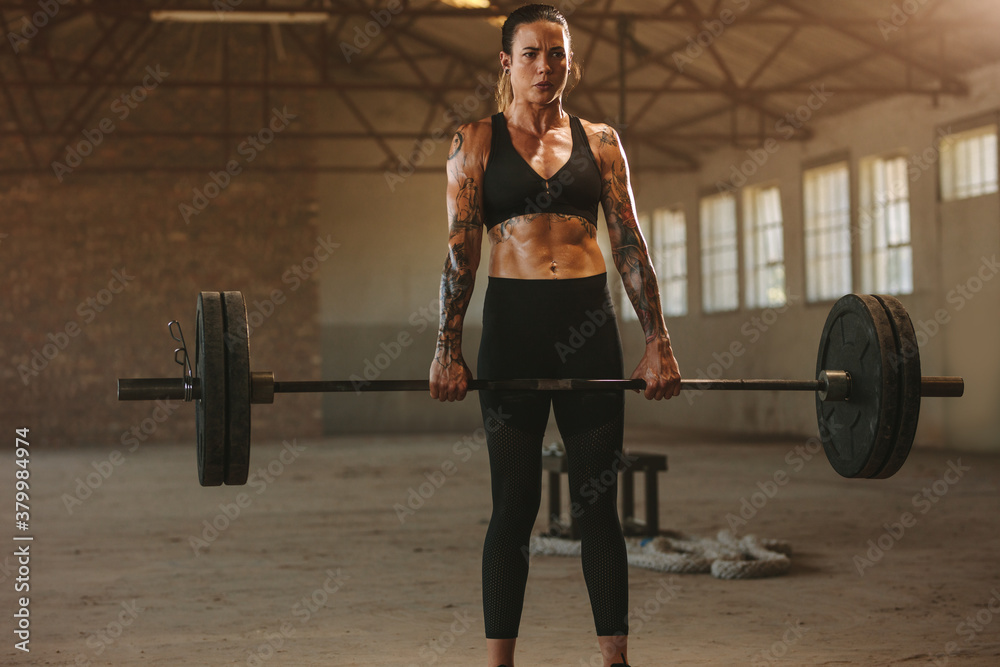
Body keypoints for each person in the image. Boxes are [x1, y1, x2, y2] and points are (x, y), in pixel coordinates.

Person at [428, 5, 681, 666]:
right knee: (515, 507)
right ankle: (499, 662)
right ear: (505, 63)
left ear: (571, 61)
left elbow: (629, 245)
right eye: (532, 54)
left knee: (600, 505)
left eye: (557, 54)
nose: (546, 66)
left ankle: (615, 658)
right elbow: (461, 254)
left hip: (588, 326)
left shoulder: (601, 141)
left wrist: (659, 341)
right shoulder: (473, 141)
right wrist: (446, 347)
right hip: (512, 331)